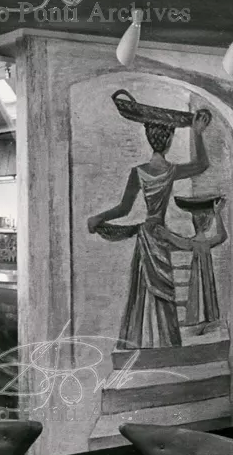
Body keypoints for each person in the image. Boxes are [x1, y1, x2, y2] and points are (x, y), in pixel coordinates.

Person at [88, 108, 211, 349]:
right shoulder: (171, 171)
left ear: (149, 139)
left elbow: (123, 208)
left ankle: (140, 342)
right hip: (159, 234)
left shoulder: (139, 172)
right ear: (169, 140)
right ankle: (165, 342)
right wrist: (197, 133)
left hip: (146, 235)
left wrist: (98, 217)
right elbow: (202, 164)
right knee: (162, 287)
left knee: (142, 289)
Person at [163, 197, 227, 333]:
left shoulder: (198, 243)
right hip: (197, 279)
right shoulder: (201, 243)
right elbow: (221, 236)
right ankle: (203, 319)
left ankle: (203, 319)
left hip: (199, 279)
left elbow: (221, 236)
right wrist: (217, 214)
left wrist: (167, 234)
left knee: (202, 293)